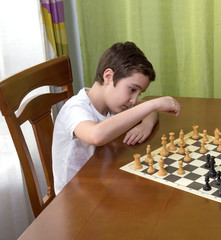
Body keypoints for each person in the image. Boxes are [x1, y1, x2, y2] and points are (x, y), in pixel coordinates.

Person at [52, 42, 180, 194]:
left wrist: (145, 125)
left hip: (102, 182)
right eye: (132, 89)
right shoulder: (75, 108)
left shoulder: (113, 104)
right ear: (108, 76)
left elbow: (149, 112)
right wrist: (154, 104)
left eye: (139, 93)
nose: (133, 100)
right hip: (73, 197)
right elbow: (96, 135)